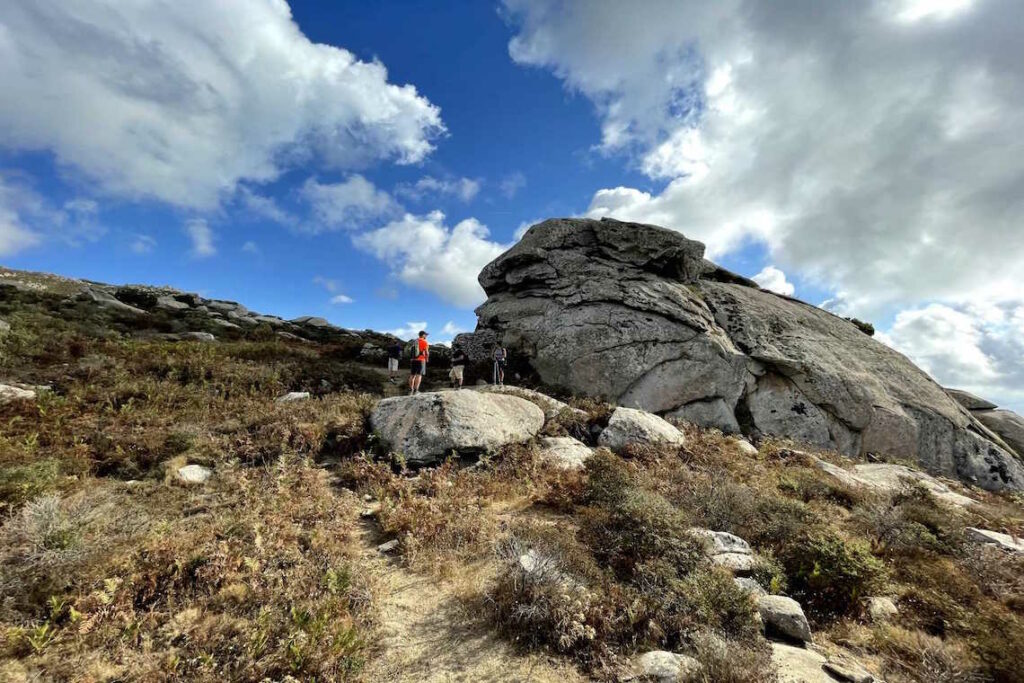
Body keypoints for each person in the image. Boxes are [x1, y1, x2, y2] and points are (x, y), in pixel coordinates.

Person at [409, 330, 429, 394]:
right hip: (421, 360)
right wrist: (427, 358)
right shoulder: (424, 342)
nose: (426, 336)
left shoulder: (414, 341)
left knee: (412, 375)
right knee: (419, 375)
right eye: (425, 335)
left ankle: (410, 390)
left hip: (413, 360)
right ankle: (416, 390)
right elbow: (426, 352)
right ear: (423, 335)